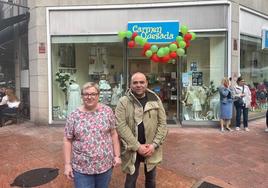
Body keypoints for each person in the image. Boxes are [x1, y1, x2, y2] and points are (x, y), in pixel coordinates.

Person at [115, 72, 168, 188]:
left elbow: (162, 124)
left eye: (141, 82)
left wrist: (154, 145)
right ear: (130, 85)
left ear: (146, 83)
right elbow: (121, 126)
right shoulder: (123, 102)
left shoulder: (155, 99)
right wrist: (137, 146)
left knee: (151, 180)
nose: (138, 85)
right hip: (132, 148)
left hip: (151, 148)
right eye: (135, 82)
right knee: (130, 181)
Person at [63, 82, 121, 188]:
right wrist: (67, 164)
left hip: (105, 165)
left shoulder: (107, 112)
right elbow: (67, 139)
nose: (89, 97)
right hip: (82, 168)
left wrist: (117, 156)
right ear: (82, 96)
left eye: (93, 94)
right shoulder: (74, 115)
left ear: (98, 95)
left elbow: (113, 133)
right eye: (86, 94)